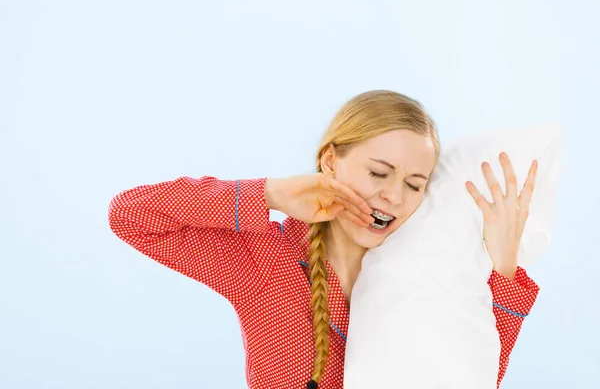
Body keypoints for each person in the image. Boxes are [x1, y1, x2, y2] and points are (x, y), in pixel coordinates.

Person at [108, 90, 540, 389]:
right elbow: (131, 215)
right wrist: (270, 193)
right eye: (378, 173)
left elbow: (473, 377)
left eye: (415, 184)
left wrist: (502, 267)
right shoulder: (268, 261)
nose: (393, 196)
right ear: (330, 161)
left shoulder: (427, 274)